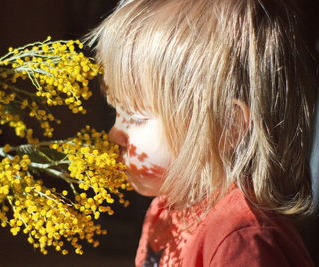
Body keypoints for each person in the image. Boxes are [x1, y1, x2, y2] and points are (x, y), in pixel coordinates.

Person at [87, 0, 318, 266]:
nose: (114, 134)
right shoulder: (167, 205)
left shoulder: (238, 240)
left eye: (137, 118)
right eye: (117, 112)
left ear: (227, 126)